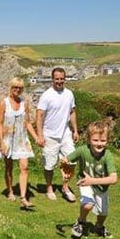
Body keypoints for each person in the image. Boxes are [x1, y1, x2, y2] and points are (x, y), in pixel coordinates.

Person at [62, 119, 118, 239]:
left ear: (107, 141)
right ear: (89, 139)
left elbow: (114, 179)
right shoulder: (82, 150)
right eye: (95, 140)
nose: (99, 144)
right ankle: (81, 222)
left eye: (103, 141)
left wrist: (93, 181)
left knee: (103, 213)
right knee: (88, 204)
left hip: (101, 187)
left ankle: (99, 226)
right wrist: (64, 168)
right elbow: (67, 160)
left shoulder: (107, 155)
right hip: (84, 182)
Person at [36, 67, 79, 202]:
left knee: (72, 161)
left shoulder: (69, 94)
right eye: (57, 79)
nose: (59, 81)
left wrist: (75, 130)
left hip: (65, 134)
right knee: (49, 165)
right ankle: (49, 188)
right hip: (49, 135)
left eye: (61, 79)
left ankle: (65, 187)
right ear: (52, 79)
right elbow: (39, 116)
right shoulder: (46, 95)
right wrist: (40, 135)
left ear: (64, 79)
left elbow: (72, 112)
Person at [0, 77, 38, 208]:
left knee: (24, 167)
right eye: (15, 87)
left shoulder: (24, 103)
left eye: (20, 88)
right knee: (8, 168)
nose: (17, 89)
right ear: (10, 87)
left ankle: (23, 198)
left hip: (22, 139)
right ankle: (9, 191)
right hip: (8, 139)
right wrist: (1, 142)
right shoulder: (3, 103)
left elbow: (28, 123)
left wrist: (36, 137)